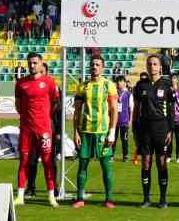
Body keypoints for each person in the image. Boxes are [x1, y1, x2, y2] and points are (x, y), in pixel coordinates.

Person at [71, 54, 118, 208]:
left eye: (98, 64)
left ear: (102, 67)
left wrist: (112, 132)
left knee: (106, 166)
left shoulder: (108, 85)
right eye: (93, 64)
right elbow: (77, 112)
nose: (94, 67)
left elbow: (114, 110)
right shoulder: (83, 86)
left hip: (102, 132)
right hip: (85, 131)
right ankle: (79, 198)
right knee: (82, 165)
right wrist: (75, 132)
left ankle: (109, 199)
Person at [14, 52, 61, 206]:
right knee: (24, 162)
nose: (32, 66)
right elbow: (18, 105)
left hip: (44, 130)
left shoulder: (49, 82)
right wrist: (27, 118)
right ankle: (20, 195)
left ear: (41, 64)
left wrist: (44, 117)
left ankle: (51, 196)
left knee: (48, 162)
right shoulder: (21, 83)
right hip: (26, 129)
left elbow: (55, 103)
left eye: (35, 63)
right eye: (30, 63)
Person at [134, 54, 176, 205]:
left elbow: (171, 110)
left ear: (160, 67)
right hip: (144, 128)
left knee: (161, 162)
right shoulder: (140, 86)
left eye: (155, 64)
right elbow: (136, 110)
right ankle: (146, 198)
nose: (152, 66)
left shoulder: (167, 85)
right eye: (149, 64)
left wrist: (170, 130)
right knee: (146, 162)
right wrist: (135, 129)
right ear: (146, 66)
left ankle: (163, 198)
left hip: (161, 128)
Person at [114, 74, 133, 162]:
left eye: (120, 81)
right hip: (114, 121)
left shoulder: (128, 94)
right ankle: (111, 155)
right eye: (117, 81)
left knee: (124, 140)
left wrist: (130, 121)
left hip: (124, 121)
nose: (118, 83)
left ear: (124, 83)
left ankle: (125, 156)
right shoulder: (114, 93)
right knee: (112, 139)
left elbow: (131, 108)